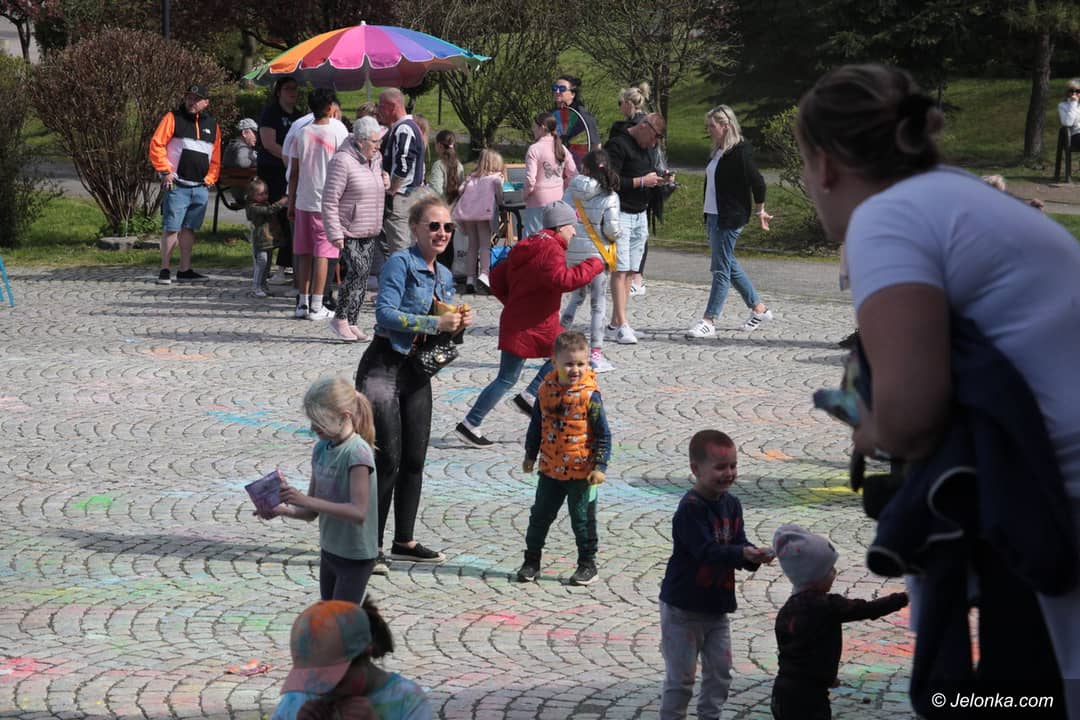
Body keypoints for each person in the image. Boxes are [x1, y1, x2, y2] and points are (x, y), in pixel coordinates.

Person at [797, 63, 1080, 718]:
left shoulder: (886, 218)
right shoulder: (956, 195)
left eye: (806, 166)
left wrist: (866, 426)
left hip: (1055, 508)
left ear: (826, 165)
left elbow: (909, 417)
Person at [355, 196, 474, 576]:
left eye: (448, 227)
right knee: (386, 459)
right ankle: (369, 545)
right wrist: (434, 323)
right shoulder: (400, 263)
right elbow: (385, 314)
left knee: (415, 459)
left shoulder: (444, 274)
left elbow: (443, 330)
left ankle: (403, 540)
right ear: (415, 228)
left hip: (416, 371)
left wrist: (457, 323)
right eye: (434, 226)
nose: (442, 233)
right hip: (383, 366)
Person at [454, 201, 604, 448]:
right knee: (525, 371)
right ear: (560, 226)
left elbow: (496, 278)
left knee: (550, 358)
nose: (575, 231)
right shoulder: (552, 249)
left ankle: (503, 407)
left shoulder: (528, 243)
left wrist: (514, 303)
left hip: (525, 321)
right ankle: (480, 418)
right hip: (531, 324)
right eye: (572, 226)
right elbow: (563, 280)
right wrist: (593, 264)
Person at [658, 430, 775, 720]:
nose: (729, 473)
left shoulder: (731, 504)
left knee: (721, 673)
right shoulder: (690, 509)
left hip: (717, 607)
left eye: (733, 465)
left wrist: (753, 555)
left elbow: (737, 542)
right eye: (721, 467)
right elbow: (706, 551)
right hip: (683, 608)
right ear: (696, 469)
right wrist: (741, 554)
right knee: (681, 678)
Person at [256, 376, 378, 604]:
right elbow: (311, 512)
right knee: (330, 616)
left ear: (344, 416)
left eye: (319, 421)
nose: (313, 428)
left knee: (340, 619)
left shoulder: (357, 453)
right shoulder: (321, 449)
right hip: (330, 550)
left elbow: (358, 512)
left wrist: (305, 500)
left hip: (355, 555)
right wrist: (280, 509)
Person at [770, 524, 908, 720]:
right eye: (830, 569)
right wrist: (903, 598)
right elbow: (867, 609)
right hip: (809, 699)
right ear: (814, 576)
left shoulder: (786, 611)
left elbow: (794, 655)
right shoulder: (828, 605)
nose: (835, 572)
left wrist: (826, 677)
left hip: (782, 694)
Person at [515, 331, 611, 586]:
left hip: (582, 473)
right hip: (550, 470)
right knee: (539, 516)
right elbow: (537, 425)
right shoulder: (544, 391)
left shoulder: (591, 395)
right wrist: (530, 454)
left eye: (581, 363)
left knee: (583, 520)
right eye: (569, 364)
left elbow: (603, 433)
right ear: (554, 362)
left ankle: (587, 564)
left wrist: (600, 466)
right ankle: (531, 560)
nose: (575, 370)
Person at [685, 105, 774, 339]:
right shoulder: (718, 151)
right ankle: (759, 309)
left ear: (725, 126)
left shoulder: (739, 152)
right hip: (713, 215)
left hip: (730, 217)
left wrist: (760, 210)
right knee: (728, 264)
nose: (708, 130)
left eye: (712, 126)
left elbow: (759, 183)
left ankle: (709, 320)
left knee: (720, 270)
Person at [270, 599, 431, 720]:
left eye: (336, 681)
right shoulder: (298, 699)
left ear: (365, 655)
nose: (324, 691)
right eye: (313, 680)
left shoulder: (407, 700)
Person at [322, 116, 389, 344]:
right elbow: (330, 199)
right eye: (374, 142)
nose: (378, 146)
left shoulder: (376, 159)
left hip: (369, 226)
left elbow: (372, 185)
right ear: (360, 141)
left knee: (363, 276)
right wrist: (334, 232)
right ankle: (339, 318)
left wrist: (385, 182)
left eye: (379, 141)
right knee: (357, 271)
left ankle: (352, 321)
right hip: (347, 228)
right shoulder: (342, 161)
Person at [148, 83, 221, 285]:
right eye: (189, 97)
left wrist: (210, 178)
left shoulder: (213, 125)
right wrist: (165, 171)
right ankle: (164, 270)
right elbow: (157, 144)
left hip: (200, 186)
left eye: (196, 99)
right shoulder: (172, 117)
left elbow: (216, 156)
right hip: (177, 185)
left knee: (189, 229)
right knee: (171, 227)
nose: (191, 102)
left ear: (206, 102)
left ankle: (184, 269)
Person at [287, 89, 349, 321]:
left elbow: (294, 171)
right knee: (324, 252)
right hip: (328, 200)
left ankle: (302, 302)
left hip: (303, 198)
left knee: (304, 251)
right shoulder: (338, 131)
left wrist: (291, 200)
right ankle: (317, 303)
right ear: (330, 107)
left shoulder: (301, 132)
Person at [604, 112, 666, 345]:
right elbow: (610, 181)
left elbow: (646, 172)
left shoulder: (647, 148)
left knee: (631, 270)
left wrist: (660, 179)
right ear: (644, 127)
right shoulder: (618, 145)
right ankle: (622, 324)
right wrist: (641, 182)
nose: (653, 143)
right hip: (621, 214)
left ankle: (615, 324)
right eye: (654, 137)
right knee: (619, 270)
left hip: (640, 213)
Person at [560, 149, 620, 373]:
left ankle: (555, 342)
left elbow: (562, 216)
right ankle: (596, 354)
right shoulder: (610, 196)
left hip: (573, 253)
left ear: (585, 168)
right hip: (596, 257)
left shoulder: (572, 189)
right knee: (598, 305)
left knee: (575, 298)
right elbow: (612, 230)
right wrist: (618, 235)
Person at [375, 89, 426, 279]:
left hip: (402, 196)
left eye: (381, 106)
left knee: (400, 247)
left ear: (392, 106)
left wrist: (392, 189)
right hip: (408, 195)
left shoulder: (404, 128)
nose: (378, 110)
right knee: (405, 246)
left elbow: (404, 164)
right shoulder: (404, 127)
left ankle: (404, 287)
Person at [257, 76, 303, 286]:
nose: (292, 92)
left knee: (290, 218)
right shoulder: (271, 113)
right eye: (288, 89)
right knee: (276, 219)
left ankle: (287, 264)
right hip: (273, 171)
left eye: (295, 88)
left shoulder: (300, 115)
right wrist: (289, 159)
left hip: (292, 172)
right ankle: (270, 267)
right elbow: (268, 143)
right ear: (279, 92)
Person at [612, 82, 652, 298]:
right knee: (639, 237)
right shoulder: (646, 125)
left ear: (628, 104)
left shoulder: (629, 131)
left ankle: (632, 279)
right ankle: (635, 278)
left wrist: (643, 180)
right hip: (641, 194)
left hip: (629, 195)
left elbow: (614, 176)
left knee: (630, 239)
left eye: (620, 103)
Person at [451, 149, 505, 293]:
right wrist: (501, 203)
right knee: (485, 246)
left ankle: (470, 278)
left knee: (472, 246)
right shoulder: (496, 178)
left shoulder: (471, 177)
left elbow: (460, 190)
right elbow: (500, 195)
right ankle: (485, 274)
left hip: (468, 214)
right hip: (483, 214)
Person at [523, 112, 577, 237]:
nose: (533, 130)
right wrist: (563, 186)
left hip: (538, 199)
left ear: (542, 128)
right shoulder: (562, 148)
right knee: (554, 237)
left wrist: (525, 194)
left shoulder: (534, 149)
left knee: (534, 238)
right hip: (558, 198)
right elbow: (573, 174)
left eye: (534, 127)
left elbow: (530, 180)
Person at [244, 177, 288, 298]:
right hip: (260, 241)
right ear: (252, 195)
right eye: (261, 194)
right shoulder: (253, 207)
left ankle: (263, 286)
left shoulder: (264, 203)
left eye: (266, 193)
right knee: (261, 263)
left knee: (267, 265)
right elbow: (269, 210)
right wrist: (282, 202)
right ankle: (255, 287)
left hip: (268, 240)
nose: (265, 196)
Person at [551, 75, 601, 166]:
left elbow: (596, 145)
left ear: (573, 94)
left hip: (578, 166)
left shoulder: (583, 115)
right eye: (555, 88)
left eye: (562, 89)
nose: (557, 91)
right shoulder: (552, 114)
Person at [427, 129, 464, 206]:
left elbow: (435, 190)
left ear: (439, 145)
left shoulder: (438, 165)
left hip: (441, 207)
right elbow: (462, 189)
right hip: (456, 207)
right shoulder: (460, 165)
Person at [1059, 78, 1080, 152]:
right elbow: (1067, 123)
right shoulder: (1063, 106)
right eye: (1071, 91)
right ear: (1067, 92)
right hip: (1074, 136)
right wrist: (1073, 103)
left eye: (1078, 91)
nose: (1074, 93)